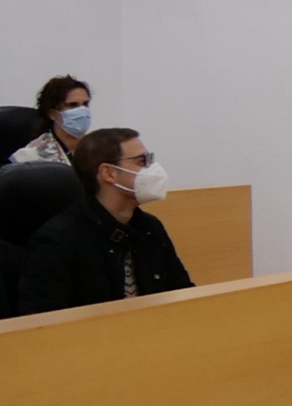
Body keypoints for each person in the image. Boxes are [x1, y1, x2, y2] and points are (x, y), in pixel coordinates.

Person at [18, 127, 192, 315]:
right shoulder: (59, 240)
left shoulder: (149, 227)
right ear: (108, 173)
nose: (152, 169)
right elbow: (41, 319)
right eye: (141, 161)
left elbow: (181, 291)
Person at [11, 75, 91, 165]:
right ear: (52, 114)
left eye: (85, 104)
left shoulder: (96, 148)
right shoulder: (29, 157)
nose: (82, 110)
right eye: (72, 105)